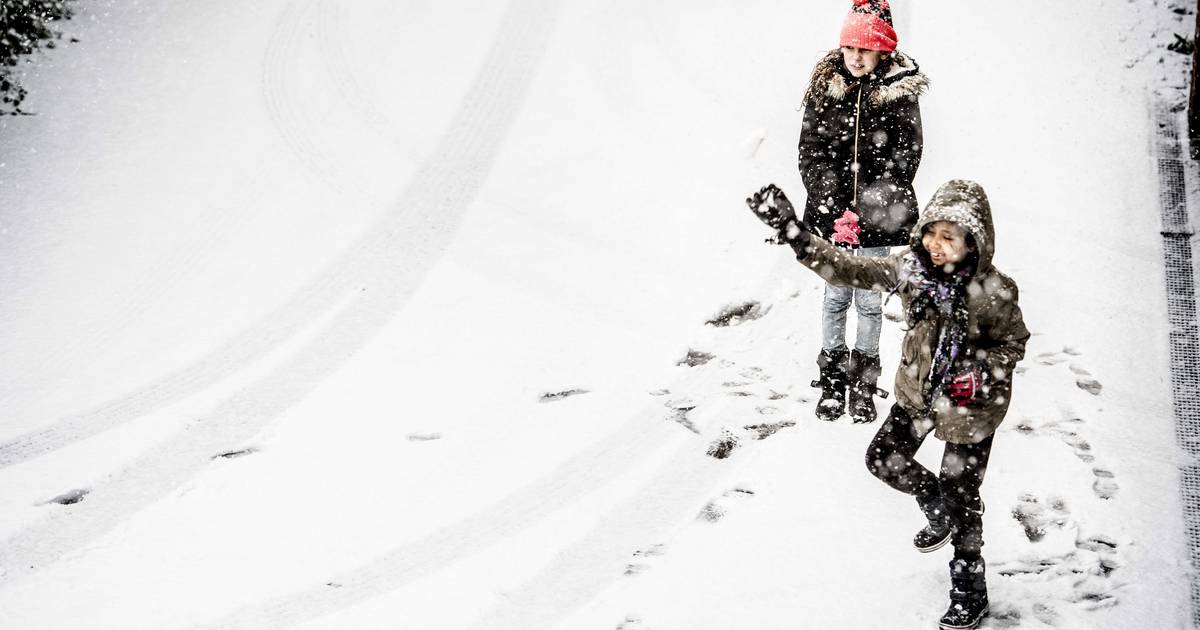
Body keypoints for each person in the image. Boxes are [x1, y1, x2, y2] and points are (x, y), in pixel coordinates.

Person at [745, 180, 1029, 630]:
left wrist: (981, 371)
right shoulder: (909, 269)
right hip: (919, 393)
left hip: (970, 409)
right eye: (931, 232)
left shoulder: (995, 291)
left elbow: (1014, 343)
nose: (935, 244)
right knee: (883, 460)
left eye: (949, 237)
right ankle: (936, 504)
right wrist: (795, 234)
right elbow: (848, 268)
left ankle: (969, 589)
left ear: (973, 242)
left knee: (962, 494)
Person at [798, 0, 928, 423]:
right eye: (850, 47)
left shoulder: (898, 93)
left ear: (883, 51)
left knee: (870, 303)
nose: (855, 57)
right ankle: (832, 378)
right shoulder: (827, 86)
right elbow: (811, 150)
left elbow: (906, 156)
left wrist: (868, 207)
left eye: (865, 49)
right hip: (832, 216)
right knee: (835, 297)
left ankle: (863, 382)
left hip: (878, 221)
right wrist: (833, 203)